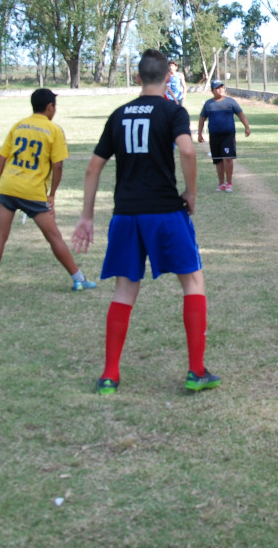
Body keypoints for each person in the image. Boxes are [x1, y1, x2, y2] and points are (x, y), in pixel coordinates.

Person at [73, 48, 219, 395]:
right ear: (168, 78)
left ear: (138, 78)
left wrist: (87, 216)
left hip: (125, 214)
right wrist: (192, 193)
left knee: (124, 290)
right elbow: (186, 150)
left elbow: (93, 167)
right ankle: (196, 371)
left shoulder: (118, 114)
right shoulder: (173, 111)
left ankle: (110, 375)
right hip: (165, 212)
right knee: (193, 282)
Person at [0, 88, 93, 297]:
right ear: (49, 107)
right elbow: (58, 166)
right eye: (55, 106)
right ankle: (79, 279)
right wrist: (52, 194)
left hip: (6, 188)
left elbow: (0, 159)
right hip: (32, 191)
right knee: (54, 236)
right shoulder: (54, 130)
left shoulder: (18, 125)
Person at [197, 79, 250, 192]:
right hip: (214, 136)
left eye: (222, 87)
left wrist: (247, 127)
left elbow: (240, 114)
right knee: (218, 160)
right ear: (212, 91)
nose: (220, 89)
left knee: (228, 158)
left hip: (228, 135)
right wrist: (200, 133)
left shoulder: (231, 102)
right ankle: (221, 183)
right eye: (217, 87)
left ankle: (229, 183)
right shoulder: (208, 104)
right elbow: (202, 119)